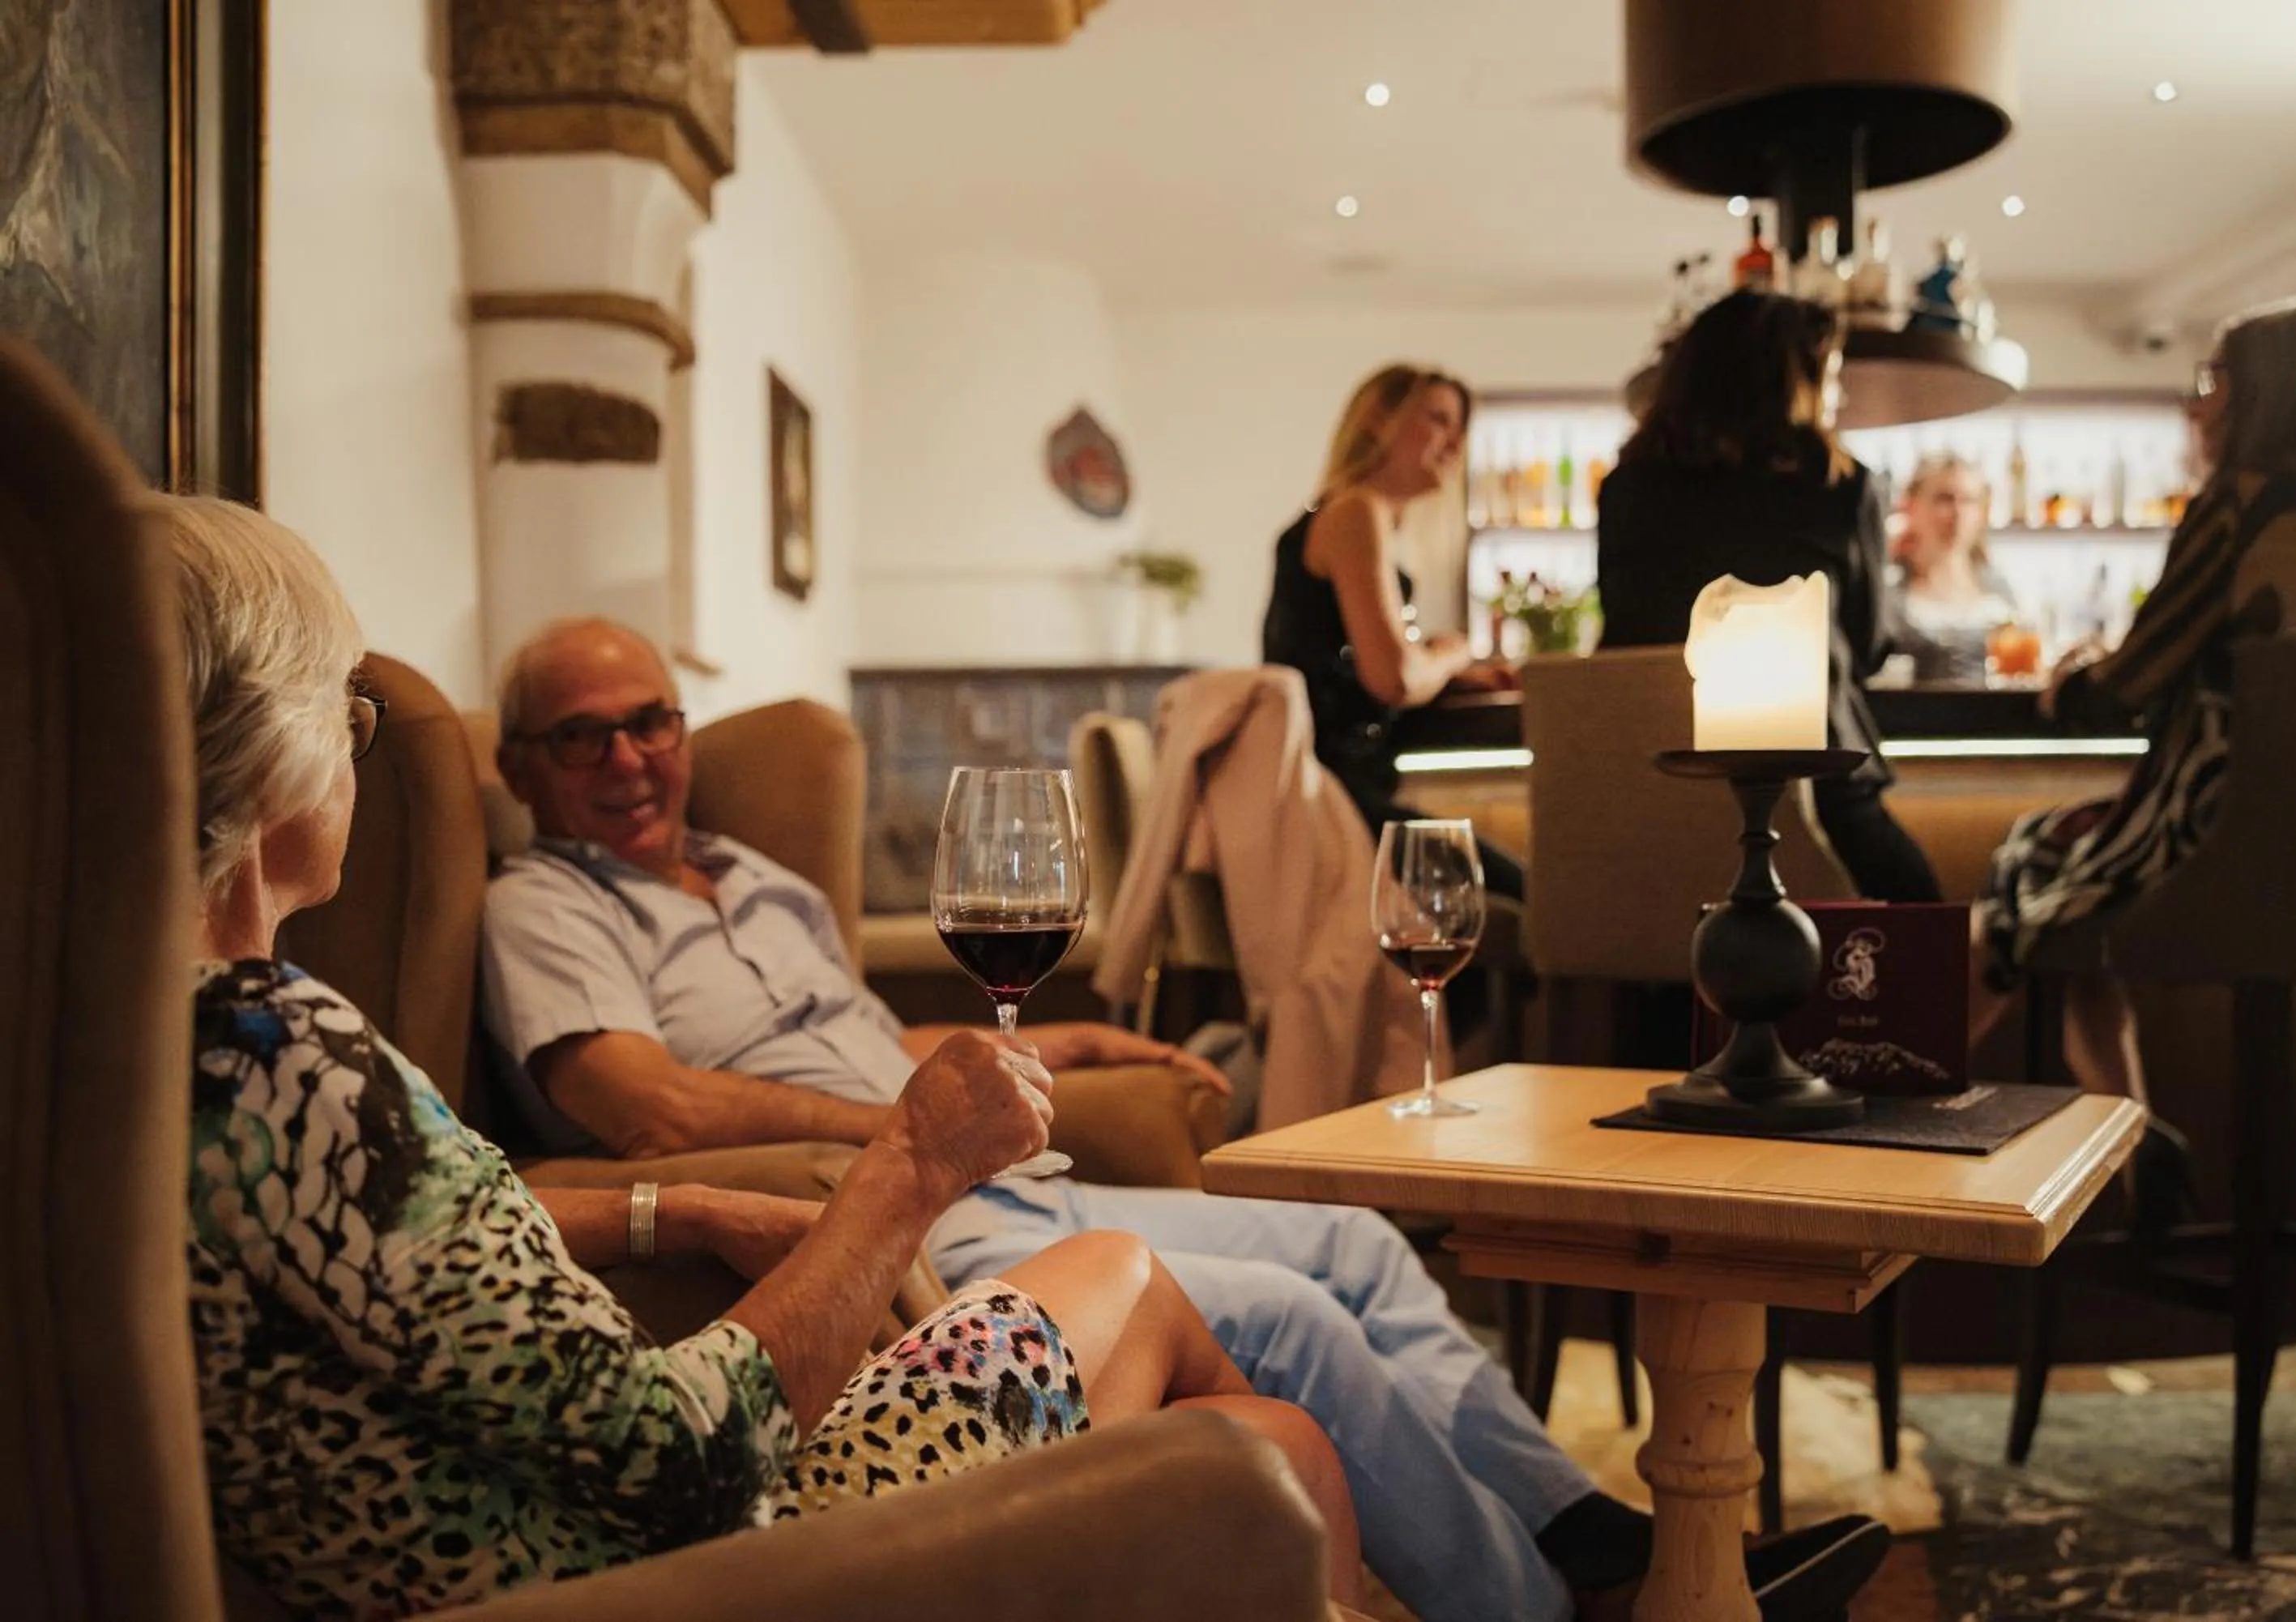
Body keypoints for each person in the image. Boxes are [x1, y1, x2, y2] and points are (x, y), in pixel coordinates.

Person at [478, 615, 1891, 1622]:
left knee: (1353, 1240)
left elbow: (858, 1030)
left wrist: (1055, 1039)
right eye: (581, 733)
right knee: (1293, 1315)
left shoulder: (759, 874)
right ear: (524, 764)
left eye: (651, 718)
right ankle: (1554, 1603)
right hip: (891, 1217)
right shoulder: (541, 903)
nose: (628, 755)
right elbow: (641, 1104)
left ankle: (1595, 1537)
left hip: (987, 1171)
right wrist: (906, 1126)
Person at [164, 495, 1365, 1617]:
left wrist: (671, 1212)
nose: (351, 753)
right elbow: (683, 1460)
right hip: (683, 1566)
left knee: (1239, 1428)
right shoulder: (282, 1054)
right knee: (1241, 1413)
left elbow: (398, 1226)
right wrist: (911, 1163)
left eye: (651, 722)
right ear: (270, 746)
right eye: (341, 710)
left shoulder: (173, 1048)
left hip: (597, 1530)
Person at [1975, 298, 2296, 1135]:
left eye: (2215, 377)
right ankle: (2139, 1140)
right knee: (2066, 879)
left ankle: (2093, 1138)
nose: (2199, 401)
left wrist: (2067, 683)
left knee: (2033, 864)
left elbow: (2123, 687)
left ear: (2264, 391)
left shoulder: (2242, 507)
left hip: (2229, 852)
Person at [1597, 289, 1942, 903]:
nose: (1837, 399)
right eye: (1830, 380)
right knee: (1925, 929)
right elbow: (1868, 645)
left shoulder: (1628, 487)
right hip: (1819, 786)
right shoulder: (1839, 484)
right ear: (1797, 385)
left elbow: (1625, 631)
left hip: (1651, 793)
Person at [1261, 363, 1525, 899]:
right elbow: (1396, 681)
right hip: (1330, 799)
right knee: (1523, 897)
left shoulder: (1353, 515)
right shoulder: (1356, 511)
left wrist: (1447, 679)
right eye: (1438, 420)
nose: (1456, 443)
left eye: (1460, 428)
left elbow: (1356, 673)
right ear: (1377, 420)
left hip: (1330, 792)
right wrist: (1452, 652)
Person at [1887, 453, 2022, 683]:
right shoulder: (1890, 587)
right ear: (1912, 506)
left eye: (1969, 500)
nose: (1958, 513)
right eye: (1944, 499)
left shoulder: (1997, 588)